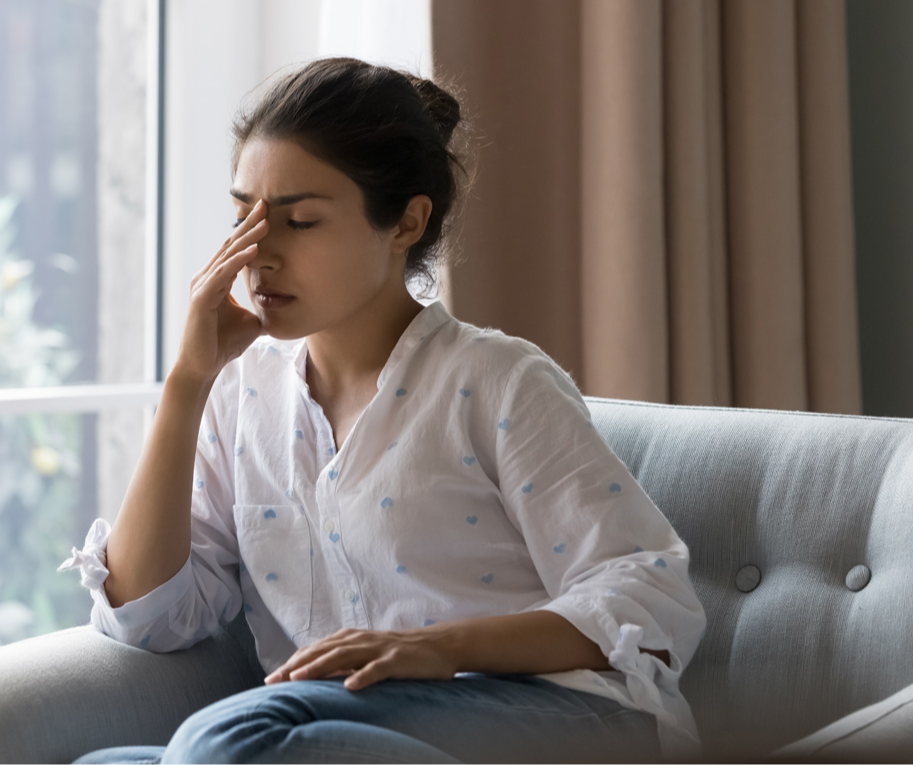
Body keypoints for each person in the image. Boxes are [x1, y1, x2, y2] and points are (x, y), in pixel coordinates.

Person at [60, 57, 706, 765]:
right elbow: (148, 617)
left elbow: (649, 593)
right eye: (243, 215)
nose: (256, 253)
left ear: (406, 221)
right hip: (348, 733)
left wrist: (434, 647)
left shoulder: (497, 380)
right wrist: (188, 380)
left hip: (562, 717)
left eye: (299, 220)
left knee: (230, 741)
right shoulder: (241, 397)